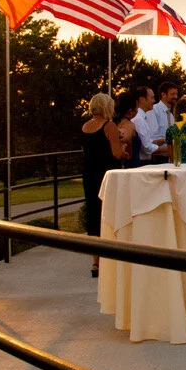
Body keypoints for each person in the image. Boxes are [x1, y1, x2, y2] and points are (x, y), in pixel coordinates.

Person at [80, 93, 123, 278]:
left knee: (94, 215)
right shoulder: (109, 126)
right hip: (107, 175)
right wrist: (123, 145)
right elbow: (116, 154)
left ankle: (95, 262)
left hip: (89, 175)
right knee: (110, 213)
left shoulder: (85, 127)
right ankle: (112, 257)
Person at [131, 86, 168, 165]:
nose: (154, 101)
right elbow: (146, 147)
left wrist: (164, 140)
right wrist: (170, 149)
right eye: (152, 98)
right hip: (141, 163)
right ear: (142, 100)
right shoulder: (139, 119)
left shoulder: (142, 117)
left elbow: (147, 142)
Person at [151, 82, 179, 164]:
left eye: (176, 94)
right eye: (173, 94)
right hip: (158, 158)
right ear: (163, 94)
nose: (175, 97)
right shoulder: (154, 111)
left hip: (170, 158)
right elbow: (151, 137)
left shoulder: (171, 114)